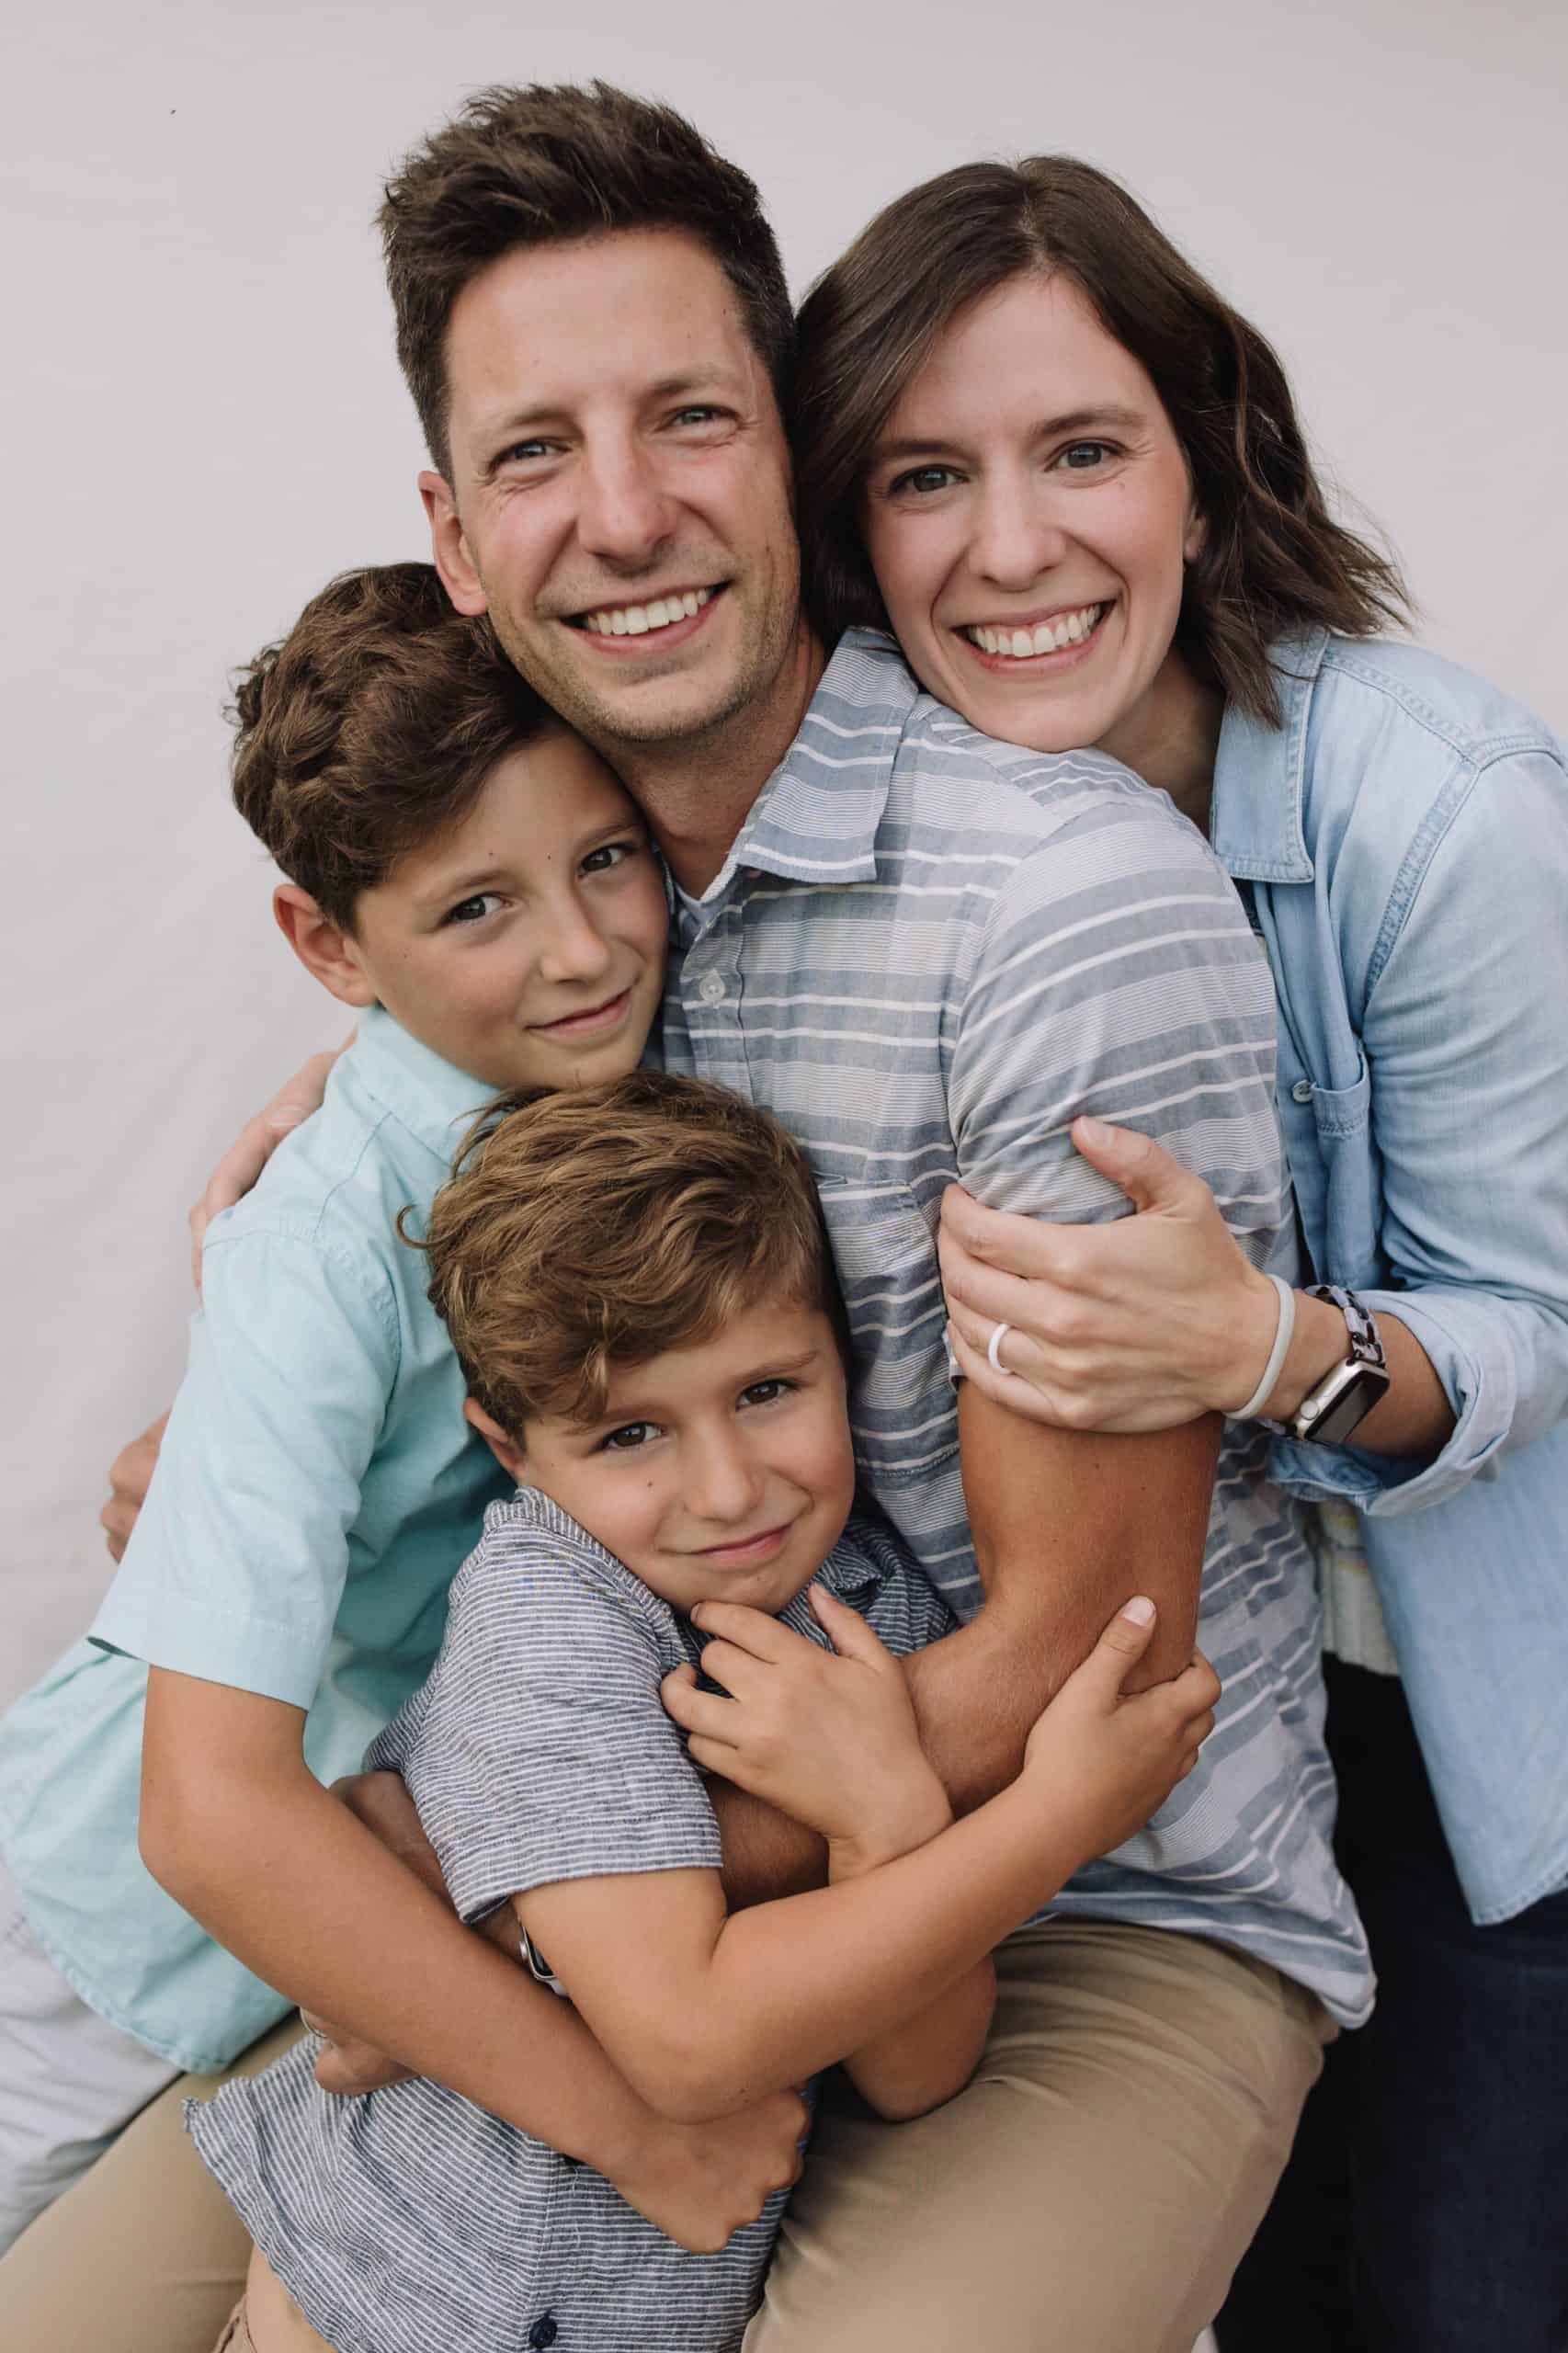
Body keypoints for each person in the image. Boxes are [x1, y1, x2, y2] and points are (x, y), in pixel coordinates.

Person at [27, 85, 1370, 2353]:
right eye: (536, 452)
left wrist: (483, 1872)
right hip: (593, 1867)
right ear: (457, 534)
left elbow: (1084, 1662)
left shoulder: (1056, 912)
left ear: (792, 460)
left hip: (1076, 1896)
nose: (625, 511)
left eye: (689, 420)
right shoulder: (549, 929)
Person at [788, 153, 1568, 2352]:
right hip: (1144, 1746)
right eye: (927, 475)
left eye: (1082, 451)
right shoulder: (872, 819)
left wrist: (1263, 1343)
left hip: (1460, 1718)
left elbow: (1540, 1326)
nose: (1010, 545)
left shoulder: (1441, 812)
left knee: (1453, 2298)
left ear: (1210, 473)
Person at [0, 563, 813, 2321]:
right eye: (478, 908)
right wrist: (630, 2131)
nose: (584, 950)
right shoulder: (322, 1240)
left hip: (350, 1901)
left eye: (607, 858)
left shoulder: (580, 1105)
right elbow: (209, 1822)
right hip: (106, 1951)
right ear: (329, 948)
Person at [195, 1069, 1216, 2353]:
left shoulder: (869, 1614)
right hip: (375, 2315)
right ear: (512, 1452)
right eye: (630, 1437)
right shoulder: (547, 1621)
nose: (729, 1490)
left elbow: (916, 2072)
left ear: (841, 1359)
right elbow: (688, 2043)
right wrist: (1054, 1818)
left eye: (766, 1392)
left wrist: (888, 1819)